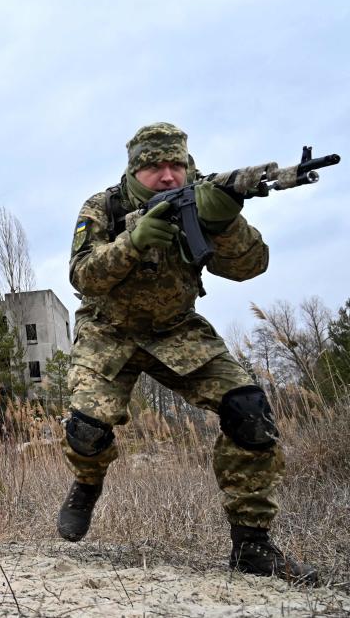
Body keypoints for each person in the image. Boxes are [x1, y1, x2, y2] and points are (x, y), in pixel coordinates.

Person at [57, 123, 316, 583]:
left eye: (176, 164)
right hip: (108, 332)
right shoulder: (104, 207)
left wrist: (225, 222)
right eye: (154, 166)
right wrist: (132, 244)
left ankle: (252, 545)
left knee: (248, 411)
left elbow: (250, 267)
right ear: (134, 170)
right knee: (86, 429)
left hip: (176, 329)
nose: (167, 175)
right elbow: (83, 277)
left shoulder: (203, 197)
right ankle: (87, 483)